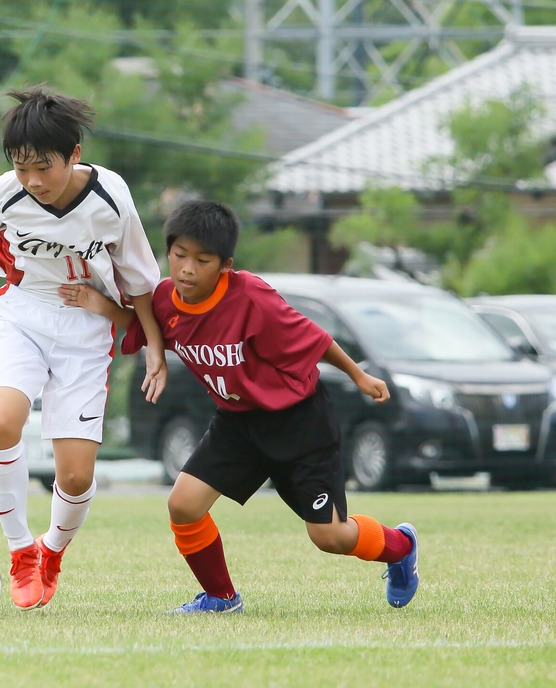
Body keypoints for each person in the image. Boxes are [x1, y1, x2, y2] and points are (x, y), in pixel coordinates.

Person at [62, 199, 419, 614]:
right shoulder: (165, 298)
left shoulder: (252, 298)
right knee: (183, 504)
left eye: (202, 259)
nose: (187, 269)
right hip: (237, 422)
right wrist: (101, 304)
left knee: (330, 537)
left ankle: (401, 547)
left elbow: (315, 338)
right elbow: (145, 327)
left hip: (299, 422)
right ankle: (221, 598)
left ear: (225, 265)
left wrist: (358, 375)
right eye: (178, 256)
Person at [0, 86, 168, 611]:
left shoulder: (112, 198)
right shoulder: (3, 193)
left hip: (87, 330)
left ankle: (52, 551)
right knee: (0, 423)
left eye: (44, 167)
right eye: (21, 168)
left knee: (75, 476)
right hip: (22, 311)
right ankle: (21, 552)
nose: (33, 181)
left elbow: (139, 282)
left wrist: (154, 347)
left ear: (74, 155)